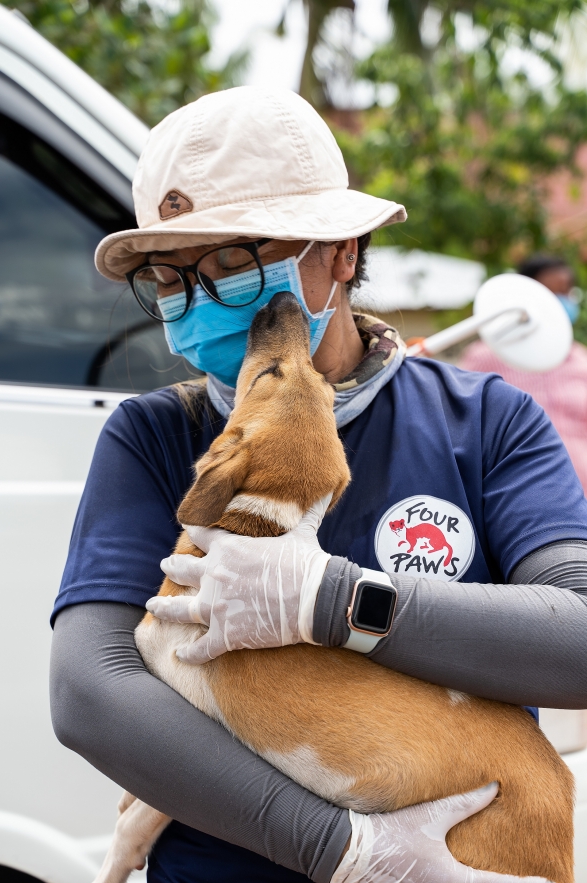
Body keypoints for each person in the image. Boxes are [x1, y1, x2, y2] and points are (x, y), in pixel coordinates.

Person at [50, 87, 587, 883]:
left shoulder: (482, 421)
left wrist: (337, 601)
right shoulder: (156, 437)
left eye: (234, 260)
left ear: (341, 251)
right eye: (170, 276)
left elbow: (574, 639)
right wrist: (339, 849)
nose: (198, 300)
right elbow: (89, 691)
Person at [460, 254, 587, 490]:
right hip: (519, 495)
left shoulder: (581, 360)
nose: (562, 301)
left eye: (566, 291)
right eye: (551, 293)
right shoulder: (486, 357)